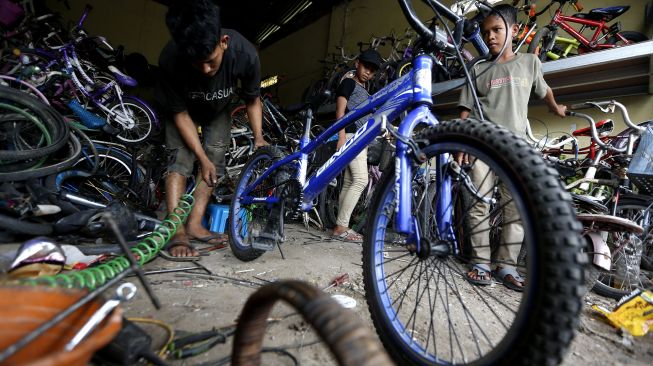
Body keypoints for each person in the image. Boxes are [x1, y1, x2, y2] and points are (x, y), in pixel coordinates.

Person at [457, 4, 566, 290]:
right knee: (477, 204)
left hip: (516, 148)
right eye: (485, 32)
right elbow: (466, 110)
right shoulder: (478, 68)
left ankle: (506, 265)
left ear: (514, 30)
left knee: (515, 208)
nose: (490, 37)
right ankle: (479, 262)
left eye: (497, 30)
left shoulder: (530, 62)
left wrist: (556, 107)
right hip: (481, 146)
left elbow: (545, 90)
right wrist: (461, 147)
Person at [156, 0, 267, 257]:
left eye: (210, 61)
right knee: (179, 160)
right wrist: (200, 157)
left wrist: (258, 137)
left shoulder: (245, 54)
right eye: (197, 64)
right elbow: (180, 115)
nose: (206, 70)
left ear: (224, 42)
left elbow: (252, 99)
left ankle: (194, 225)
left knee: (215, 163)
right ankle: (177, 232)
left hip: (218, 110)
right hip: (182, 111)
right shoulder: (171, 58)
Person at [331, 49, 382, 243]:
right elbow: (340, 110)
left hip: (360, 136)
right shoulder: (348, 82)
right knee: (361, 179)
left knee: (352, 180)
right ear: (357, 63)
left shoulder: (363, 89)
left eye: (372, 70)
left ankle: (340, 225)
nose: (368, 72)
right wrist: (341, 136)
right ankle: (342, 227)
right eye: (366, 67)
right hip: (352, 135)